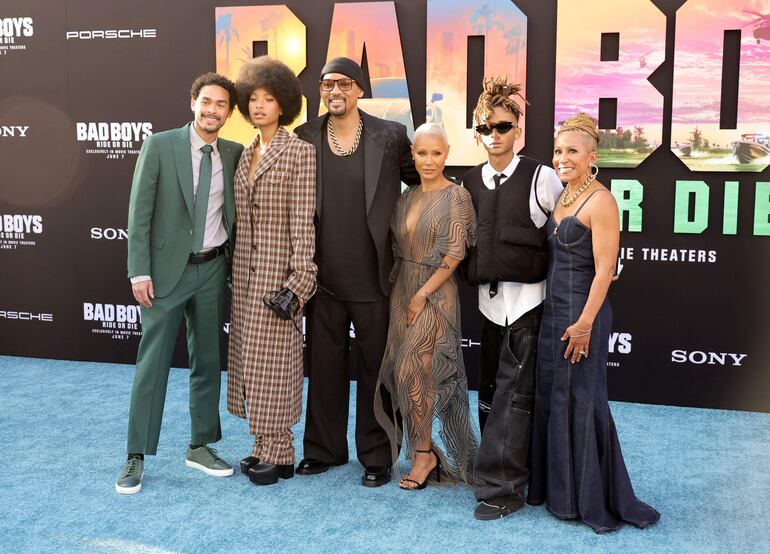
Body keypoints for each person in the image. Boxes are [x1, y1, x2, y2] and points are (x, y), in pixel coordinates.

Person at [526, 113, 660, 533]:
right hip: (554, 314)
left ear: (592, 156)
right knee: (555, 398)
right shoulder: (564, 196)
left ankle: (590, 497)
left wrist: (585, 324)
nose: (562, 158)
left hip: (583, 315)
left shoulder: (601, 201)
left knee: (583, 401)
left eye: (572, 151)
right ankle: (559, 493)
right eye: (558, 151)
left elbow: (605, 272)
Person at [294, 57, 419, 487]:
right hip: (322, 278)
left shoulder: (390, 135)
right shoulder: (305, 135)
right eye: (327, 85)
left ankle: (378, 453)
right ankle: (323, 450)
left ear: (360, 89)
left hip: (376, 278)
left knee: (376, 371)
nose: (335, 92)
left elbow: (420, 185)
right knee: (324, 367)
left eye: (344, 84)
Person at [116, 73, 244, 494]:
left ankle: (201, 445)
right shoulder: (159, 145)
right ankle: (136, 454)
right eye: (206, 102)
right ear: (193, 102)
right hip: (165, 274)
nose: (213, 110)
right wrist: (140, 270)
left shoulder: (234, 152)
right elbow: (139, 213)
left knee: (207, 361)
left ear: (230, 111)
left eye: (222, 105)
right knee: (151, 365)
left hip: (212, 271)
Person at [462, 77, 565, 519]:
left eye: (502, 127)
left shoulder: (543, 177)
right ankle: (496, 469)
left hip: (529, 306)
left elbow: (568, 235)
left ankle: (505, 489)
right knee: (489, 394)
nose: (494, 136)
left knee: (514, 398)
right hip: (488, 307)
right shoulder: (468, 182)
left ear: (517, 129)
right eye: (485, 128)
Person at [226, 57, 317, 486]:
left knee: (277, 364)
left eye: (269, 99)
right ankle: (262, 446)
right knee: (251, 363)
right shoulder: (245, 155)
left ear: (284, 105)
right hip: (244, 276)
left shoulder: (298, 151)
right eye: (253, 100)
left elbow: (302, 220)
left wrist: (299, 281)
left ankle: (281, 451)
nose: (260, 106)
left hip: (279, 277)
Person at [374, 123, 478, 490]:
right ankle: (424, 450)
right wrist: (405, 294)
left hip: (436, 294)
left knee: (411, 369)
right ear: (412, 155)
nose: (429, 160)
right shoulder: (406, 197)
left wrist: (421, 295)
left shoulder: (456, 197)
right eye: (421, 153)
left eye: (436, 153)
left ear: (447, 152)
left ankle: (423, 457)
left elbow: (454, 255)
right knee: (409, 376)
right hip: (402, 289)